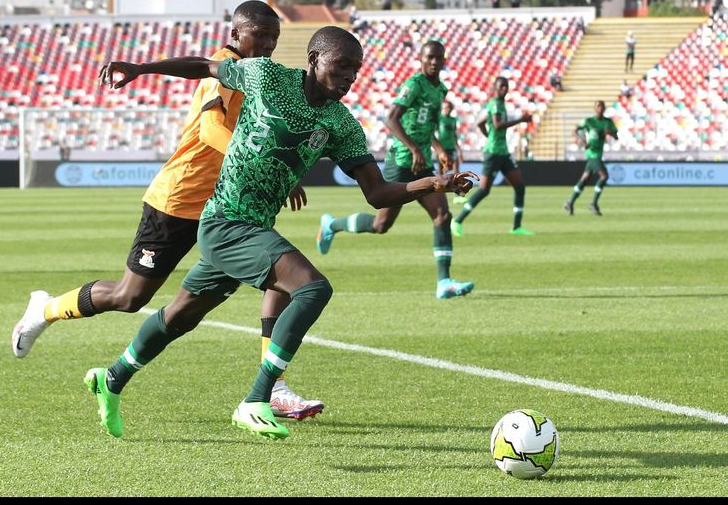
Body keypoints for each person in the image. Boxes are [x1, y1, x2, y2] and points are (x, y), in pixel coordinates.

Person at [82, 26, 476, 440]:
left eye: (356, 70)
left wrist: (432, 184)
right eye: (342, 66)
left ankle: (111, 378)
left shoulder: (341, 124)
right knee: (312, 288)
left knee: (181, 316)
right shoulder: (266, 76)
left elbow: (377, 193)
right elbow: (204, 66)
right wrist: (141, 68)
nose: (349, 77)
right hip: (223, 221)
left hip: (253, 228)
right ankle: (257, 399)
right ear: (314, 59)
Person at [11, 0, 325, 421]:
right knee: (129, 297)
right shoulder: (224, 67)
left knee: (280, 277)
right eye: (260, 35)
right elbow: (212, 128)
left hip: (227, 206)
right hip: (179, 199)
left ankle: (274, 389)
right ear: (236, 35)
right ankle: (46, 309)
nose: (268, 44)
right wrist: (263, 160)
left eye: (274, 37)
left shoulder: (260, 76)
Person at [315, 41, 476, 301]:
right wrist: (414, 149)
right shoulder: (414, 85)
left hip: (422, 164)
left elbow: (426, 127)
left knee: (442, 216)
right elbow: (391, 119)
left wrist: (438, 149)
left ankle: (444, 282)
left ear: (444, 60)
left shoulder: (440, 90)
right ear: (421, 59)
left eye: (439, 58)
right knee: (381, 225)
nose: (434, 62)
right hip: (402, 161)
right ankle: (332, 225)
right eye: (430, 57)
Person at [451, 76, 534, 237]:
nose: (504, 89)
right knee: (484, 190)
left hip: (503, 152)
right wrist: (521, 120)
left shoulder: (500, 104)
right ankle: (457, 221)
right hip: (493, 153)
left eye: (506, 86)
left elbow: (481, 122)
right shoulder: (495, 103)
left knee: (520, 187)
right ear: (495, 88)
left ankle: (516, 227)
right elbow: (497, 125)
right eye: (501, 86)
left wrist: (489, 136)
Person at [564, 100, 618, 216]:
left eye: (602, 106)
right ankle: (593, 203)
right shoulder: (589, 121)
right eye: (598, 106)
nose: (600, 108)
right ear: (594, 108)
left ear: (604, 108)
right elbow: (574, 131)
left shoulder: (608, 122)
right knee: (604, 176)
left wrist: (610, 133)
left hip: (599, 153)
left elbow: (616, 136)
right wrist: (583, 141)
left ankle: (570, 202)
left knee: (585, 179)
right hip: (592, 153)